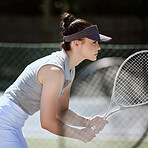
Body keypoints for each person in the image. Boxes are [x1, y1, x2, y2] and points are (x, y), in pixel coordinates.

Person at [0, 12, 112, 148]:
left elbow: (61, 111)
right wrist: (79, 134)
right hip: (3, 121)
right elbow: (47, 122)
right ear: (77, 43)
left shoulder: (69, 69)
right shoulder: (55, 71)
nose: (98, 47)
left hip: (12, 123)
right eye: (93, 42)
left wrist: (88, 122)